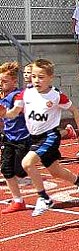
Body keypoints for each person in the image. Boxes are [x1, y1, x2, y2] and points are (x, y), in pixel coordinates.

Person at [1, 59, 79, 216]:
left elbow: (75, 110)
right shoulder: (25, 93)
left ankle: (44, 198)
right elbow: (13, 113)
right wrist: (4, 113)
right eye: (34, 76)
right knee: (55, 171)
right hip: (34, 137)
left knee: (27, 163)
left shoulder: (56, 96)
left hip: (50, 136)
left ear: (50, 78)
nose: (36, 80)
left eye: (41, 77)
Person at [0, 62, 31, 214]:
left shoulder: (17, 96)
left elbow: (14, 113)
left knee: (20, 171)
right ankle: (18, 200)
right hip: (8, 137)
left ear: (14, 81)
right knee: (5, 169)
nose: (1, 84)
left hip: (23, 137)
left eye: (4, 81)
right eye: (0, 81)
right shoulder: (2, 96)